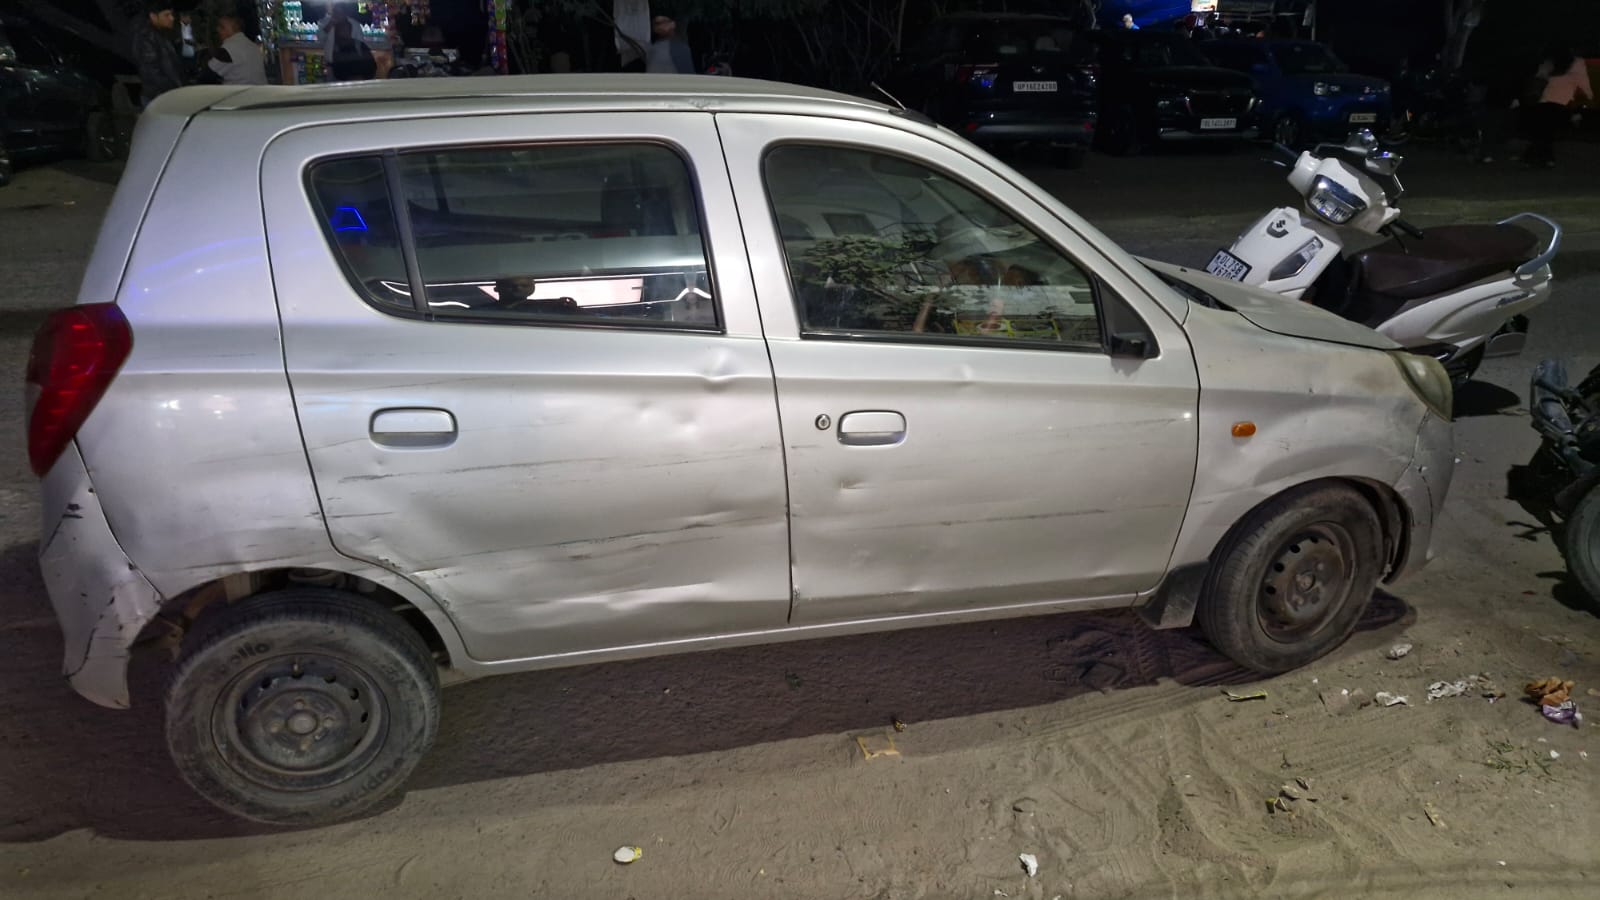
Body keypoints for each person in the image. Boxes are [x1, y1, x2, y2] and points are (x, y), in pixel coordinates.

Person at [1525, 48, 1592, 168]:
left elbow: (1539, 77)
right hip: (1562, 102)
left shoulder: (1550, 62)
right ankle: (1543, 158)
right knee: (1547, 132)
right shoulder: (1577, 64)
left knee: (1543, 131)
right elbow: (1583, 82)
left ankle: (1537, 158)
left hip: (1545, 101)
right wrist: (1589, 95)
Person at [132, 2, 183, 105]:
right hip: (158, 98)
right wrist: (174, 89)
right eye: (166, 15)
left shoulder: (160, 34)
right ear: (153, 16)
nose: (172, 18)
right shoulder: (146, 37)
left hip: (165, 95)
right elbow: (152, 71)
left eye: (171, 14)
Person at [208, 15, 268, 86]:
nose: (218, 30)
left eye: (222, 27)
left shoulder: (228, 48)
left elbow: (208, 74)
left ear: (234, 28)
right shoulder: (253, 46)